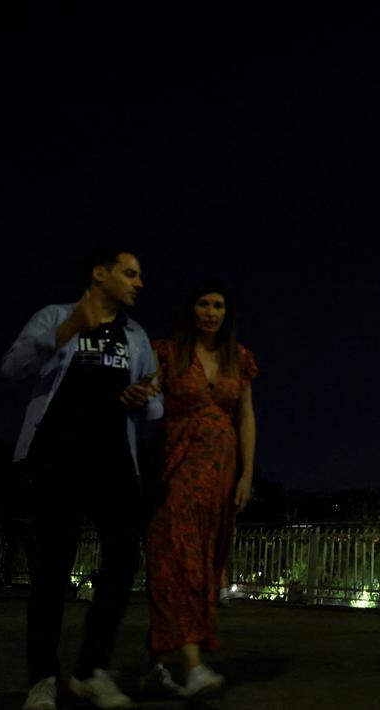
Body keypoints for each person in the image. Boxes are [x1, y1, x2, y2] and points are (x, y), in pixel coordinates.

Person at [2, 246, 162, 710]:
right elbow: (12, 368)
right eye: (130, 274)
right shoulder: (54, 315)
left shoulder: (136, 335)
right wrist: (67, 330)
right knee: (50, 572)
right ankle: (43, 679)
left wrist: (141, 398)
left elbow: (156, 403)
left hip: (114, 463)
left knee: (122, 563)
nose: (139, 282)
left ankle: (91, 669)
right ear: (100, 274)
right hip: (57, 460)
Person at [144, 279, 257, 699]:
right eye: (204, 304)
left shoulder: (237, 359)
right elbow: (150, 402)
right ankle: (192, 665)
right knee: (179, 559)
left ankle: (155, 664)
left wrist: (245, 475)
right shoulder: (169, 353)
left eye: (219, 306)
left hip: (221, 472)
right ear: (191, 310)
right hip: (178, 465)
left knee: (204, 562)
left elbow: (246, 416)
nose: (211, 312)